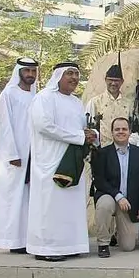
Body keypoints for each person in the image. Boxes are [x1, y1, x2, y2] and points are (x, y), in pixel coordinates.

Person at [26, 62, 97, 261]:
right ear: (58, 76)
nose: (74, 78)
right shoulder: (44, 98)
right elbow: (44, 126)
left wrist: (92, 135)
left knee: (72, 203)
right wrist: (78, 136)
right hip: (50, 161)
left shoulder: (76, 102)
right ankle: (48, 249)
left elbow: (83, 128)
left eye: (77, 73)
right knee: (50, 206)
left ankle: (70, 245)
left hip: (72, 160)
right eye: (70, 73)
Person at [0, 57, 37, 253]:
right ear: (19, 72)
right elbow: (3, 126)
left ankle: (25, 240)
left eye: (34, 71)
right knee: (12, 199)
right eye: (27, 71)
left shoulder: (36, 96)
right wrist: (11, 153)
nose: (31, 75)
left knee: (28, 199)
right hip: (13, 157)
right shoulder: (9, 94)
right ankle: (11, 241)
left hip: (31, 156)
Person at [93, 117, 139, 256]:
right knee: (104, 205)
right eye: (117, 129)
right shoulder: (103, 153)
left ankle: (116, 233)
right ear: (112, 132)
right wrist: (118, 196)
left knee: (128, 246)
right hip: (110, 197)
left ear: (130, 132)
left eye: (124, 129)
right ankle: (103, 243)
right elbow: (100, 180)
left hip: (129, 203)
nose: (121, 132)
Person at [85, 56, 133, 147]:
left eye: (116, 81)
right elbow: (88, 127)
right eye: (110, 80)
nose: (113, 83)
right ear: (105, 80)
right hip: (101, 149)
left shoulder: (129, 103)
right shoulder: (95, 102)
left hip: (124, 148)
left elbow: (134, 128)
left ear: (122, 82)